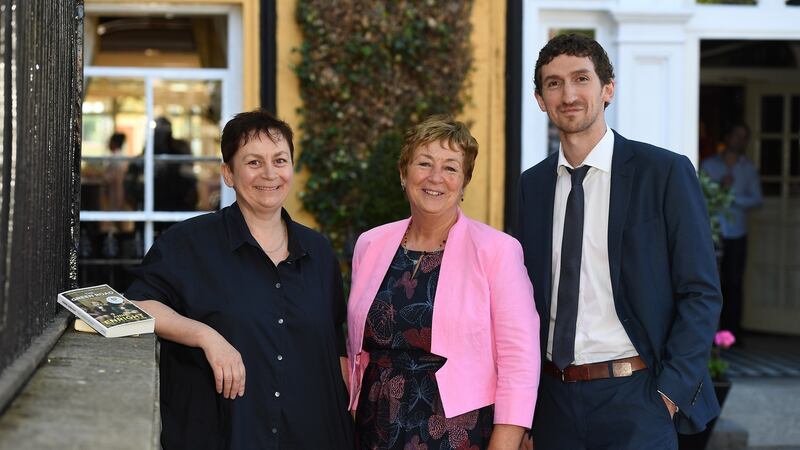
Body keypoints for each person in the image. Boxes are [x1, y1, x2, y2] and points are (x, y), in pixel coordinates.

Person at [517, 34, 723, 449]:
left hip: (637, 397)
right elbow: (525, 300)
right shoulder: (531, 186)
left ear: (608, 88)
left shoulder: (663, 173)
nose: (569, 94)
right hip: (553, 401)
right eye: (554, 83)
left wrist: (669, 394)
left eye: (581, 78)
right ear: (540, 99)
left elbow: (700, 291)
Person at [126, 109, 354, 449]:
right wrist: (205, 336)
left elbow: (336, 349)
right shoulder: (188, 244)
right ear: (228, 174)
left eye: (280, 160)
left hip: (311, 435)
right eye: (253, 162)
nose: (269, 174)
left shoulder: (319, 252)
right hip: (223, 436)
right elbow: (139, 304)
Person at [347, 115, 540, 449]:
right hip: (374, 423)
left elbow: (519, 360)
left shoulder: (497, 251)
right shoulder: (370, 244)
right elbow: (355, 348)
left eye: (451, 167)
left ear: (464, 182)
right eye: (424, 163)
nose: (436, 177)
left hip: (454, 430)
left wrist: (506, 442)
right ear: (403, 174)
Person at [701, 122, 763, 337]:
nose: (739, 140)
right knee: (710, 282)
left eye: (744, 137)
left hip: (737, 233)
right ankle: (710, 333)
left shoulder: (748, 168)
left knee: (734, 282)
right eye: (736, 135)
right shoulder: (709, 165)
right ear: (727, 137)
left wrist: (731, 197)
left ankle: (732, 332)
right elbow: (699, 194)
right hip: (712, 232)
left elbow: (757, 199)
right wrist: (720, 188)